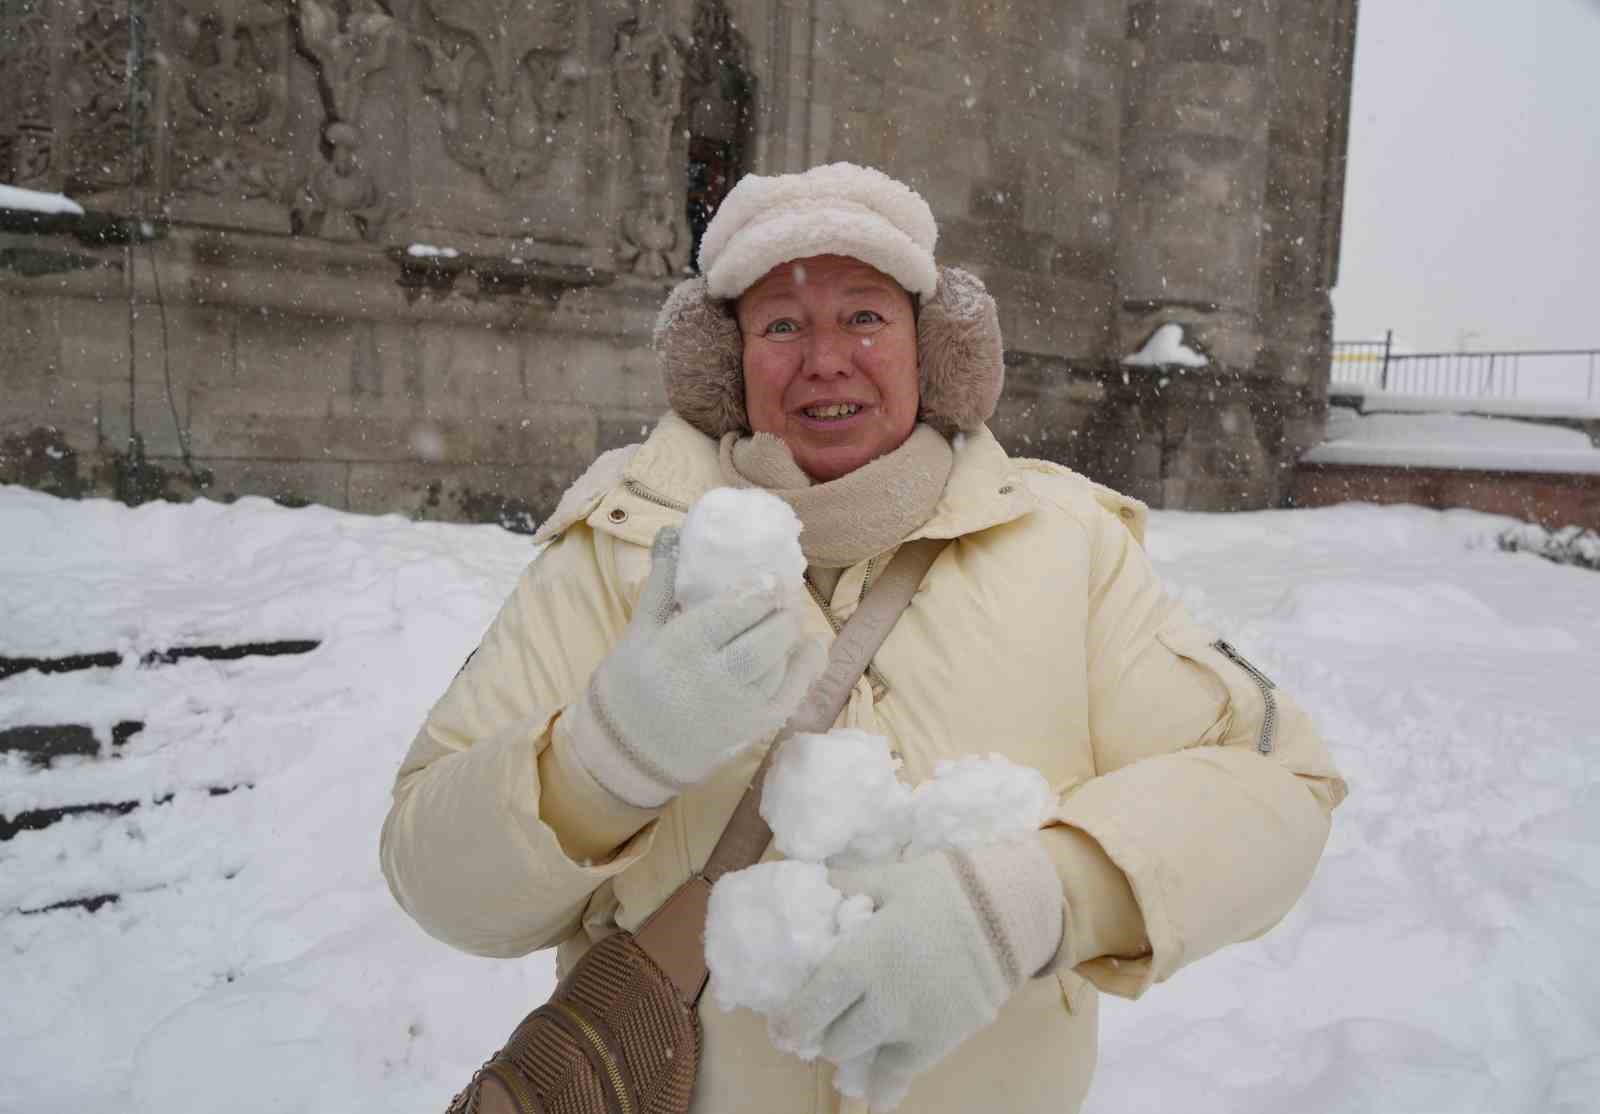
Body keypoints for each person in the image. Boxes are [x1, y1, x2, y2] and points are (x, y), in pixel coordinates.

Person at [380, 163, 1348, 1114]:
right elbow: (433, 872)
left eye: (865, 316)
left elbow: (1279, 784)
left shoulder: (1067, 546)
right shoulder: (618, 546)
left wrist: (1036, 898)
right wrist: (601, 760)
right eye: (782, 323)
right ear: (725, 362)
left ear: (935, 349)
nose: (825, 358)